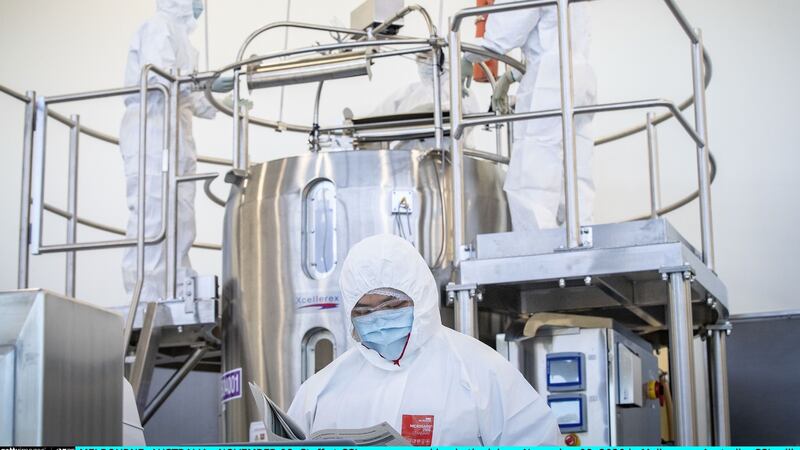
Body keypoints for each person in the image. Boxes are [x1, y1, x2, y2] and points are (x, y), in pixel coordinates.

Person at [287, 234, 560, 445]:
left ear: (421, 297)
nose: (378, 319)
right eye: (364, 311)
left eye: (391, 306)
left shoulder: (480, 372)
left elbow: (538, 440)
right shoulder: (321, 391)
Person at [119, 0, 231, 301]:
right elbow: (161, 80)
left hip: (177, 139)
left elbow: (189, 97)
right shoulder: (158, 27)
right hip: (151, 134)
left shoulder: (181, 38)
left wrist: (220, 98)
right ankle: (145, 297)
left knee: (181, 217)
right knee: (153, 216)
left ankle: (176, 288)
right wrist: (207, 82)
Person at [463, 0, 597, 231]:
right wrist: (511, 76)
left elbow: (503, 32)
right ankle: (581, 235)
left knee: (533, 171)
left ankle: (538, 249)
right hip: (580, 75)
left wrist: (466, 57)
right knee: (574, 167)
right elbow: (551, 31)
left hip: (550, 79)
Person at [369, 53, 481, 151]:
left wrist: (427, 111)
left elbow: (465, 116)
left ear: (443, 57)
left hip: (452, 160)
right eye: (420, 58)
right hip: (411, 163)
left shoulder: (458, 88)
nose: (424, 61)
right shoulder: (409, 92)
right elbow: (376, 118)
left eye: (428, 56)